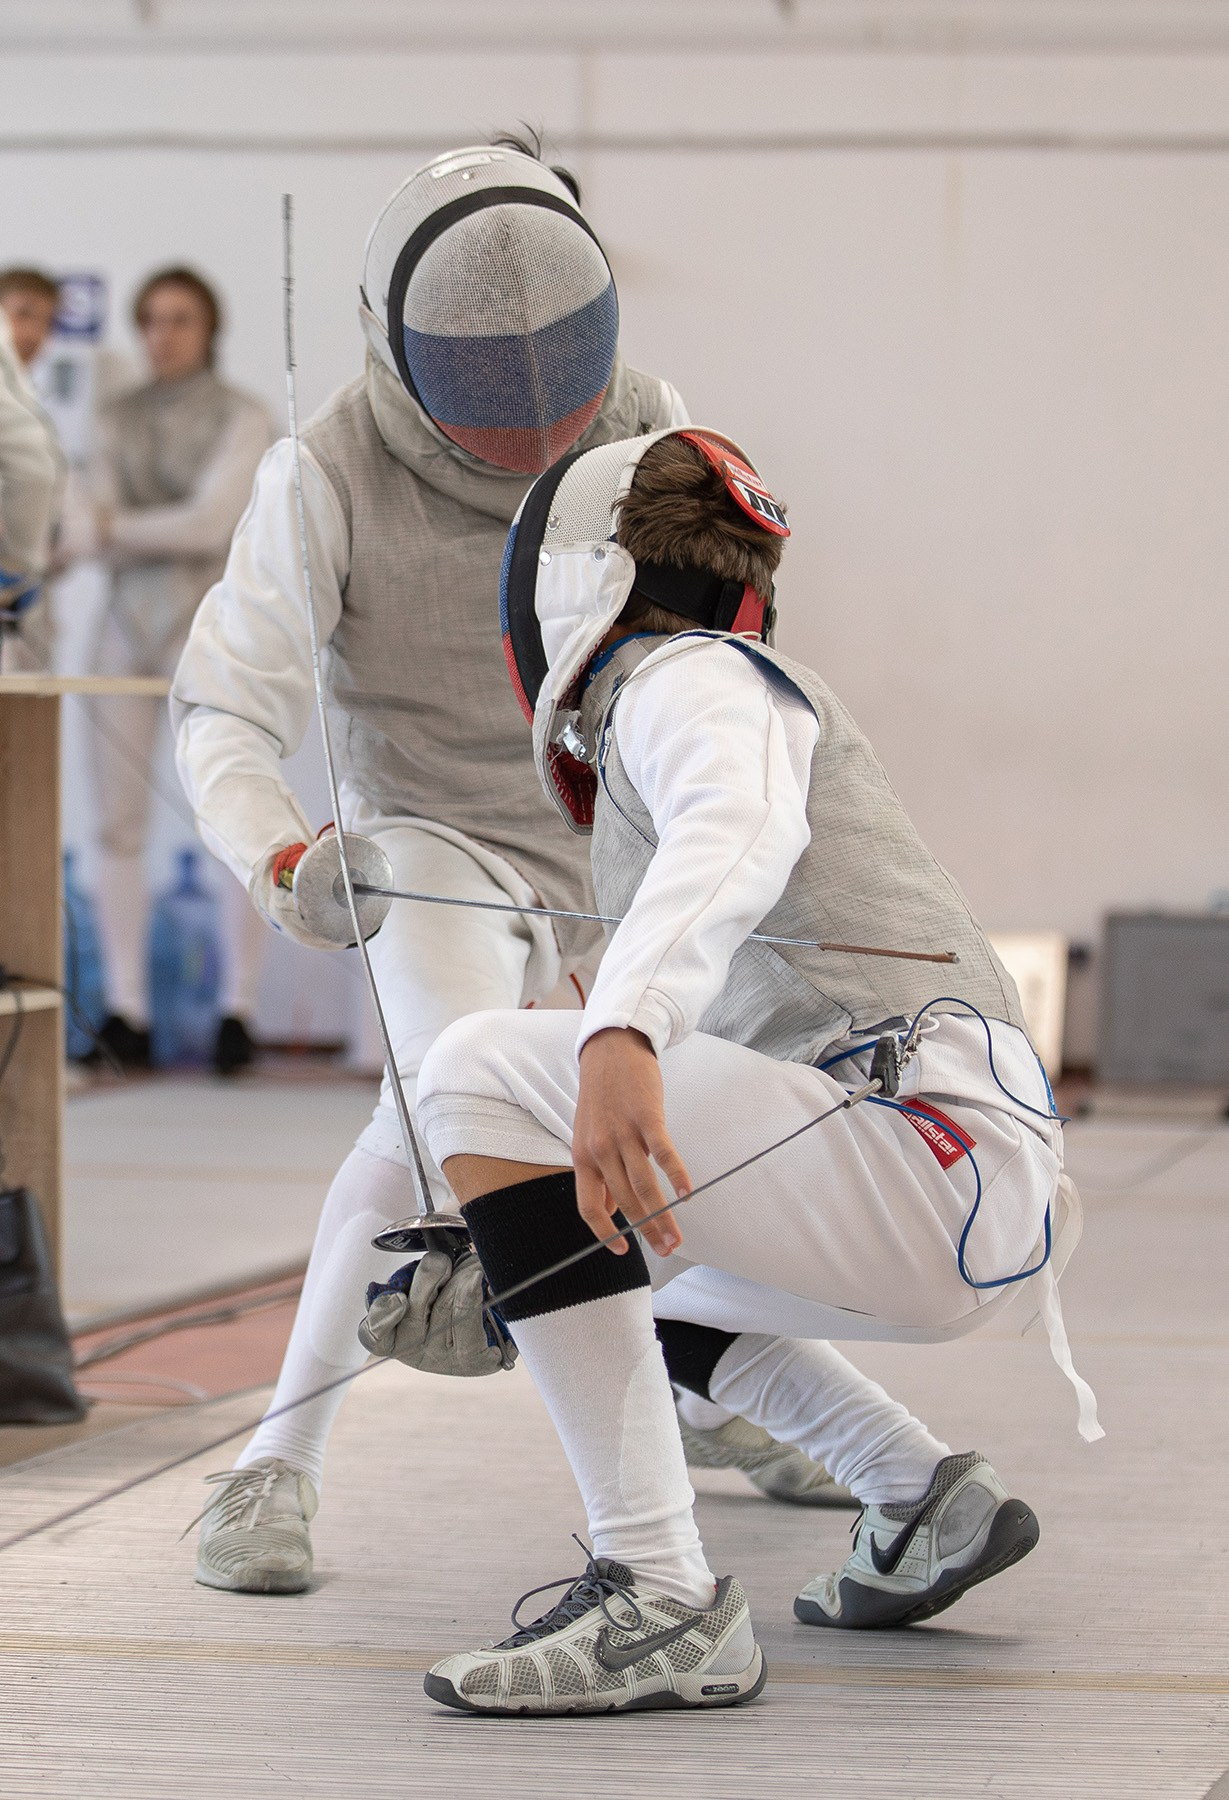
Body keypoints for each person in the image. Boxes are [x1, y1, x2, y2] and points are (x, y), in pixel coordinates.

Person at [173, 137, 842, 1599]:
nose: (540, 429)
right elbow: (225, 701)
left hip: (611, 838)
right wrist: (280, 852)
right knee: (451, 1101)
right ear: (403, 352)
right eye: (487, 390)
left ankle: (732, 1387)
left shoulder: (652, 423)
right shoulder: (325, 470)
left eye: (564, 372)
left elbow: (715, 652)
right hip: (423, 842)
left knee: (688, 1117)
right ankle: (273, 1470)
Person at [410, 425, 1099, 1716]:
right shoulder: (685, 699)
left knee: (477, 1062)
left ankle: (658, 1590)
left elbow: (737, 824)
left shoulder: (692, 677)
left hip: (920, 1158)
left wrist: (620, 1034)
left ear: (572, 584)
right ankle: (916, 1493)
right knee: (611, 1246)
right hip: (941, 1189)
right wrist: (493, 1255)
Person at [88, 265, 274, 1074]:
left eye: (180, 320)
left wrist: (118, 526)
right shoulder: (111, 417)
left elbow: (212, 521)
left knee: (229, 815)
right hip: (121, 629)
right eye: (152, 320)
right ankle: (125, 1010)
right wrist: (116, 528)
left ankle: (237, 1011)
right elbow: (82, 521)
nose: (163, 335)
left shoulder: (245, 416)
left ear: (209, 329)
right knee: (115, 824)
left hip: (209, 628)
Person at [0, 270, 64, 672]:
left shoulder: (32, 403)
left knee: (27, 724)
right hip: (12, 582)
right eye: (22, 313)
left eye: (45, 320)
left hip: (25, 596)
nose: (33, 331)